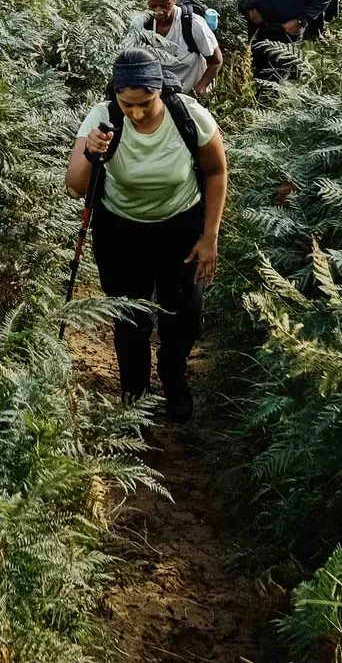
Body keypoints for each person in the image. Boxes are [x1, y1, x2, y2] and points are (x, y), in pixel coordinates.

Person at [66, 49, 227, 422]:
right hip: (120, 231)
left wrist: (210, 236)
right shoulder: (102, 118)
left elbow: (216, 172)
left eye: (145, 104)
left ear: (161, 91)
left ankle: (173, 378)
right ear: (116, 97)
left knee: (183, 315)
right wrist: (91, 154)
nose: (136, 113)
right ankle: (134, 398)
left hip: (181, 226)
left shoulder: (188, 115)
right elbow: (74, 185)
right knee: (128, 317)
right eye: (127, 105)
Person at [123, 0, 222, 96]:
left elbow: (216, 61)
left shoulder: (193, 24)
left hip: (192, 97)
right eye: (152, 4)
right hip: (157, 99)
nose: (158, 11)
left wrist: (199, 90)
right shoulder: (141, 25)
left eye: (165, 5)